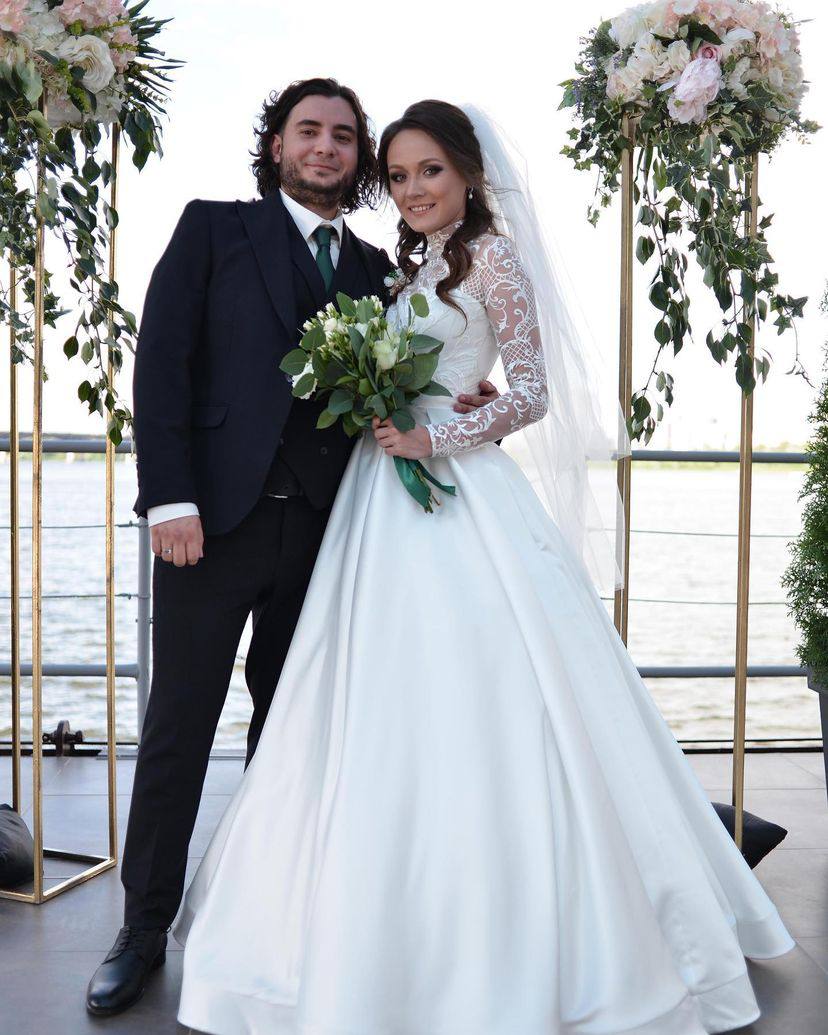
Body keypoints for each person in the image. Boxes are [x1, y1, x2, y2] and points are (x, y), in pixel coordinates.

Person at [174, 100, 795, 1035]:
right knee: (365, 695)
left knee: (494, 691)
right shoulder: (408, 267)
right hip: (377, 500)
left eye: (431, 170)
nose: (414, 189)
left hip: (459, 491)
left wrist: (441, 435)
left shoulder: (495, 258)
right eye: (400, 175)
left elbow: (533, 392)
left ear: (467, 171)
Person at [85, 79, 501, 1018]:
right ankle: (141, 928)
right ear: (276, 144)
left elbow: (406, 378)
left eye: (344, 137)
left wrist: (465, 401)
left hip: (328, 532)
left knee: (295, 732)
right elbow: (162, 363)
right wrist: (170, 498)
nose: (326, 147)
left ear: (358, 161)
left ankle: (269, 920)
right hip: (209, 527)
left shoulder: (377, 270)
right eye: (308, 130)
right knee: (179, 726)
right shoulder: (212, 229)